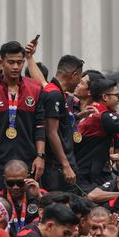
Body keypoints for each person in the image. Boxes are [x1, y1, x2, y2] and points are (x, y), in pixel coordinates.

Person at [0, 40, 46, 194]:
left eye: (19, 63)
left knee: (31, 206)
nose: (15, 67)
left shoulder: (35, 87)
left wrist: (40, 156)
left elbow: (40, 125)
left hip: (27, 161)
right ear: (1, 62)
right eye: (11, 62)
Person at [75, 78, 119, 191]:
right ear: (105, 97)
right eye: (117, 95)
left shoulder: (91, 112)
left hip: (84, 173)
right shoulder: (103, 116)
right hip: (84, 178)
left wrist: (107, 156)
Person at [41, 55, 84, 192]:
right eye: (80, 78)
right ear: (74, 75)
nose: (79, 83)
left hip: (62, 165)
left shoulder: (58, 92)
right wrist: (65, 165)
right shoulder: (53, 94)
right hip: (57, 168)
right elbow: (51, 132)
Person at [0, 159, 44, 237]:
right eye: (10, 183)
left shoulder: (41, 194)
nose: (15, 187)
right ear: (4, 179)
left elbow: (55, 216)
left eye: (20, 183)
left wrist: (38, 196)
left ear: (28, 178)